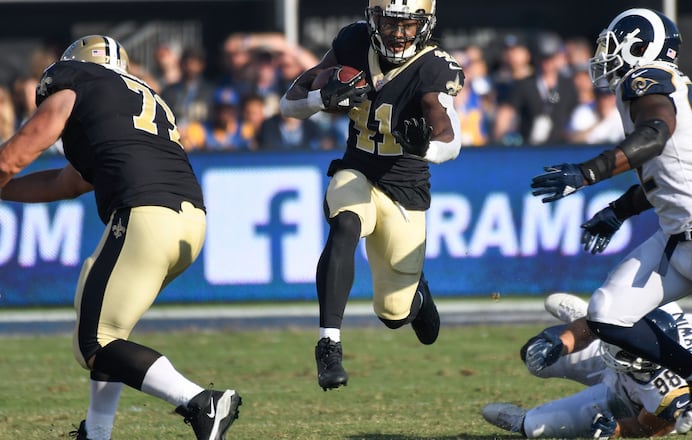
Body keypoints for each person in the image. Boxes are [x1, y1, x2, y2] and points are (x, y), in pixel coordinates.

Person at [529, 8, 692, 434]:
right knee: (608, 314)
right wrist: (618, 211)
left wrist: (587, 172)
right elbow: (667, 177)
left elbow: (654, 134)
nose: (604, 54)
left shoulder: (644, 78)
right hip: (678, 237)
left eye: (612, 43)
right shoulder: (647, 84)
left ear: (638, 45)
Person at [0, 35, 241, 440]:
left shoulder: (77, 84)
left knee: (91, 341)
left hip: (144, 217)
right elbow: (68, 181)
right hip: (190, 223)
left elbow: (15, 155)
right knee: (113, 336)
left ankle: (201, 400)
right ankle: (96, 432)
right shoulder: (136, 98)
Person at [279, 0, 464, 391]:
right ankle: (329, 344)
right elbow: (288, 103)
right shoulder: (352, 43)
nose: (398, 33)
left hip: (405, 190)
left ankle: (416, 297)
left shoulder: (433, 67)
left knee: (394, 315)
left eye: (408, 25)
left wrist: (423, 148)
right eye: (390, 23)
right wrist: (319, 99)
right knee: (345, 224)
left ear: (425, 25)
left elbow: (452, 141)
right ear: (372, 19)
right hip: (357, 170)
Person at [482, 294, 692, 438]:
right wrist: (559, 344)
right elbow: (606, 323)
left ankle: (525, 421)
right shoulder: (663, 305)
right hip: (626, 364)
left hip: (626, 399)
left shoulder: (672, 395)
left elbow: (647, 428)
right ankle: (585, 317)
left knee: (533, 426)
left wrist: (619, 429)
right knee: (535, 358)